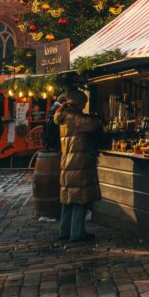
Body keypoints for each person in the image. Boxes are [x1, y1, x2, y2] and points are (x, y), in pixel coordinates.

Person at [54, 89, 101, 243]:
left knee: (69, 200)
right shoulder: (74, 117)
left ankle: (65, 230)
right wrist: (98, 117)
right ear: (78, 103)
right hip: (78, 163)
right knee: (80, 198)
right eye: (84, 103)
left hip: (68, 162)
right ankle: (77, 233)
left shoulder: (63, 116)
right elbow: (93, 125)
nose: (84, 106)